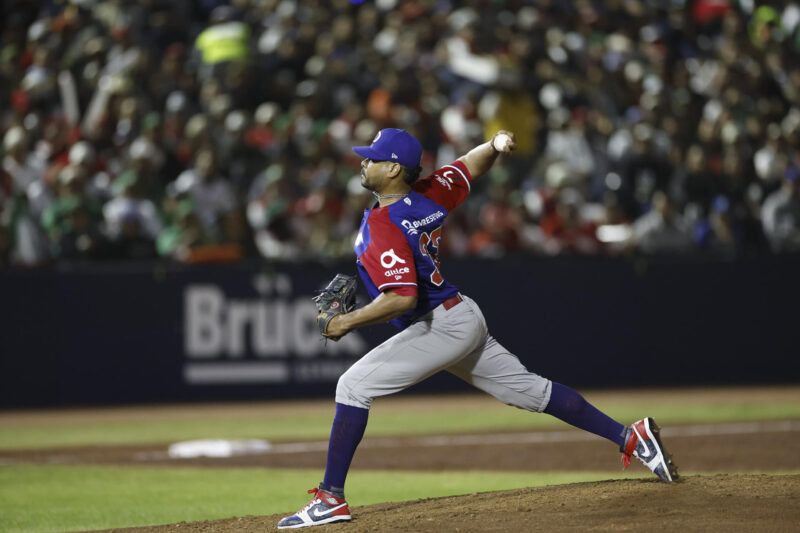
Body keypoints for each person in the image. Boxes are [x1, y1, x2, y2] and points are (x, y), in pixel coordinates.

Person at [277, 129, 679, 529]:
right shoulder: (429, 192)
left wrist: (345, 322)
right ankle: (631, 437)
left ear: (395, 169)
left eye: (373, 158)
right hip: (460, 315)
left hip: (439, 325)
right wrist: (494, 145)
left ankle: (330, 498)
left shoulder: (386, 222)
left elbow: (402, 298)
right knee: (531, 391)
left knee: (352, 387)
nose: (364, 162)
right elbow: (469, 165)